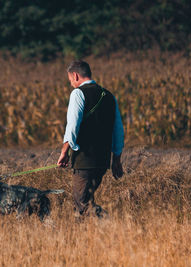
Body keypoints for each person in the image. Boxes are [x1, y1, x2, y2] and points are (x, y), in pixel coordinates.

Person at [57, 60, 124, 218]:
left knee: (82, 203)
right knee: (84, 202)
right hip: (103, 161)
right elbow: (118, 130)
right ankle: (84, 239)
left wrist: (64, 152)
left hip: (84, 160)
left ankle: (111, 224)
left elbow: (72, 126)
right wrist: (116, 159)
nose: (71, 84)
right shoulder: (109, 96)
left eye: (70, 81)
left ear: (75, 75)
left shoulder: (78, 93)